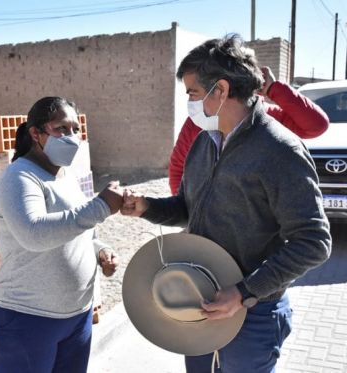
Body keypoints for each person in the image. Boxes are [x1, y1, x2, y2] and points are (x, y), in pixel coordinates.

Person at [121, 35, 332, 372]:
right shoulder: (206, 141)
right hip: (202, 300)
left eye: (191, 92)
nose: (189, 102)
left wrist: (245, 291)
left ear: (219, 90)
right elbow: (188, 208)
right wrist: (147, 207)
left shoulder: (280, 151)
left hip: (254, 314)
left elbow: (314, 243)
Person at [0, 96, 123, 373]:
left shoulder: (64, 175)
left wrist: (99, 250)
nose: (70, 136)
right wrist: (102, 206)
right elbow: (34, 234)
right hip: (27, 318)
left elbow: (74, 230)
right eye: (61, 128)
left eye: (75, 129)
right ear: (35, 133)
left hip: (76, 316)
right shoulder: (20, 177)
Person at [168, 65, 329, 195]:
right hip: (206, 230)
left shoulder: (270, 120)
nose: (192, 102)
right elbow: (178, 170)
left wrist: (273, 88)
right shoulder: (198, 122)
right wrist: (188, 214)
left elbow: (316, 125)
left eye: (194, 94)